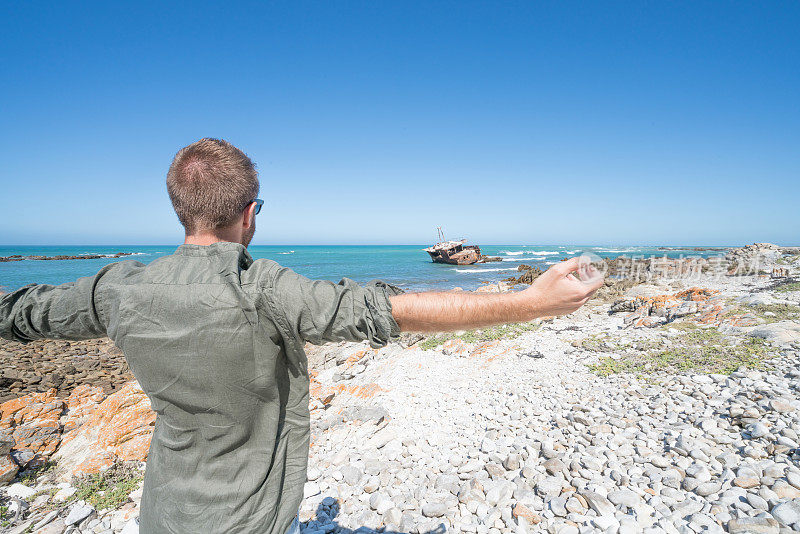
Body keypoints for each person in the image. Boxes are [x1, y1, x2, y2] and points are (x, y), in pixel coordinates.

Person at [0, 138, 603, 534]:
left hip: (164, 512)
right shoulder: (262, 288)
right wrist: (529, 302)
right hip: (253, 518)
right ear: (248, 213)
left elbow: (23, 313)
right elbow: (386, 311)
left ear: (180, 210)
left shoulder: (119, 290)